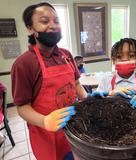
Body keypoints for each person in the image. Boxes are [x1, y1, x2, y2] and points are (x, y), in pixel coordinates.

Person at [10, 2, 89, 160]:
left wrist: (88, 99)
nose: (53, 26)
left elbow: (76, 84)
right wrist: (45, 121)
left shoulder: (66, 55)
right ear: (30, 28)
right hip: (47, 136)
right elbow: (22, 107)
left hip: (74, 129)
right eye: (45, 21)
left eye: (56, 21)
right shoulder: (24, 64)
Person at [97, 38, 136, 109]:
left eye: (131, 55)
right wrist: (107, 96)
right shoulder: (105, 81)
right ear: (114, 60)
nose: (125, 59)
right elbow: (95, 109)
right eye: (119, 56)